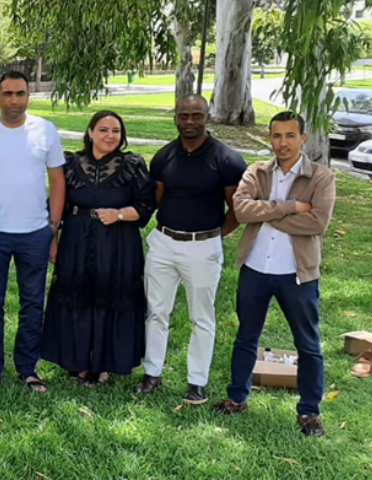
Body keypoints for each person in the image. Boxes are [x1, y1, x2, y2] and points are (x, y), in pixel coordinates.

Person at [212, 112, 336, 437]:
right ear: (270, 138)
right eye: (277, 136)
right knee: (246, 337)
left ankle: (309, 412)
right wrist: (290, 206)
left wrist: (265, 211)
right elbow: (241, 210)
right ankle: (237, 397)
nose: (283, 143)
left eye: (290, 136)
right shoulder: (257, 171)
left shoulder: (321, 177)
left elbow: (318, 223)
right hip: (255, 269)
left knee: (307, 344)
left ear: (302, 139)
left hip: (296, 273)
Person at [137, 94, 247, 405]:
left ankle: (196, 382)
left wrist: (212, 236)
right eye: (183, 115)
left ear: (207, 118)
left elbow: (236, 209)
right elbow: (157, 198)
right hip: (163, 243)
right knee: (156, 311)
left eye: (196, 116)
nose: (189, 121)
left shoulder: (226, 159)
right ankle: (152, 373)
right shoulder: (163, 157)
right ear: (175, 117)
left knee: (202, 317)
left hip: (203, 247)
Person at [0, 71, 66, 393]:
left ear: (28, 96)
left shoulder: (45, 130)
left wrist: (54, 227)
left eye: (20, 93)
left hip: (36, 232)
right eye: (7, 93)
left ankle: (28, 369)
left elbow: (58, 180)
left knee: (33, 303)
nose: (13, 100)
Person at [40, 111, 156, 387]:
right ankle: (77, 361)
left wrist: (118, 214)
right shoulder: (69, 163)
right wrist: (52, 239)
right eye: (103, 130)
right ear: (90, 132)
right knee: (76, 296)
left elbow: (146, 205)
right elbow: (56, 203)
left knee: (109, 297)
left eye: (116, 131)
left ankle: (104, 364)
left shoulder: (133, 164)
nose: (110, 136)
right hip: (76, 240)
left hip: (118, 242)